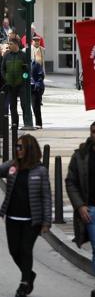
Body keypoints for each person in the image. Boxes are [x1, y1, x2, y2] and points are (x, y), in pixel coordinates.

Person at [0, 135, 51, 297]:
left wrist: (47, 221)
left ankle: (24, 283)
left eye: (21, 147)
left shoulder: (40, 171)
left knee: (25, 249)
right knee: (14, 251)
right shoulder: (12, 166)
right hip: (12, 217)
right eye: (16, 147)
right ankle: (29, 274)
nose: (17, 150)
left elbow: (46, 196)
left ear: (30, 150)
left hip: (32, 220)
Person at [65, 122, 95, 287]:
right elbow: (71, 182)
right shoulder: (81, 155)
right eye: (93, 131)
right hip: (90, 210)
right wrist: (80, 205)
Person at [1, 38, 28, 128]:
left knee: (24, 104)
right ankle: (14, 124)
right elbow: (3, 69)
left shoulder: (23, 55)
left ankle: (26, 123)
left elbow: (27, 71)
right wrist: (6, 79)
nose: (9, 46)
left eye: (11, 44)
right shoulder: (6, 56)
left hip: (21, 85)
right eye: (8, 44)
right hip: (10, 85)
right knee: (12, 106)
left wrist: (24, 78)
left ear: (16, 45)